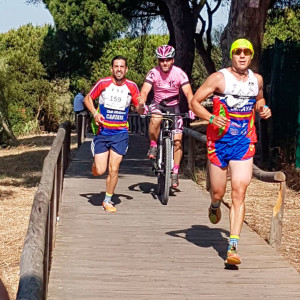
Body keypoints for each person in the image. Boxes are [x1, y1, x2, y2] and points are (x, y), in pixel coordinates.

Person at [190, 38, 272, 265]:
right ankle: (215, 204)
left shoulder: (257, 80)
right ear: (232, 55)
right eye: (238, 52)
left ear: (251, 56)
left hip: (244, 142)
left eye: (247, 52)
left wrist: (262, 108)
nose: (242, 56)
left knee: (239, 191)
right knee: (218, 191)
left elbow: (259, 99)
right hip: (218, 143)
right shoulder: (218, 78)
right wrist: (212, 118)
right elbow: (194, 102)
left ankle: (233, 247)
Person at [84, 55, 145, 213]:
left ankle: (108, 200)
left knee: (114, 168)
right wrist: (95, 114)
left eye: (122, 66)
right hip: (103, 132)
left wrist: (142, 105)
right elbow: (88, 98)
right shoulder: (103, 83)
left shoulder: (131, 86)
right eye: (116, 66)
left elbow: (138, 108)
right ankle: (95, 163)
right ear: (112, 69)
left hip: (120, 133)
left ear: (126, 69)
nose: (119, 69)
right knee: (100, 170)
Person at [140, 45, 194, 188]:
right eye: (161, 60)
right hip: (158, 104)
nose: (164, 63)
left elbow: (189, 93)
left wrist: (192, 107)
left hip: (174, 106)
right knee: (156, 118)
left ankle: (175, 171)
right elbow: (144, 91)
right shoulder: (153, 73)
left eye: (168, 59)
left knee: (177, 141)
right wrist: (143, 103)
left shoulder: (179, 73)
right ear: (158, 60)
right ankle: (153, 145)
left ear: (173, 60)